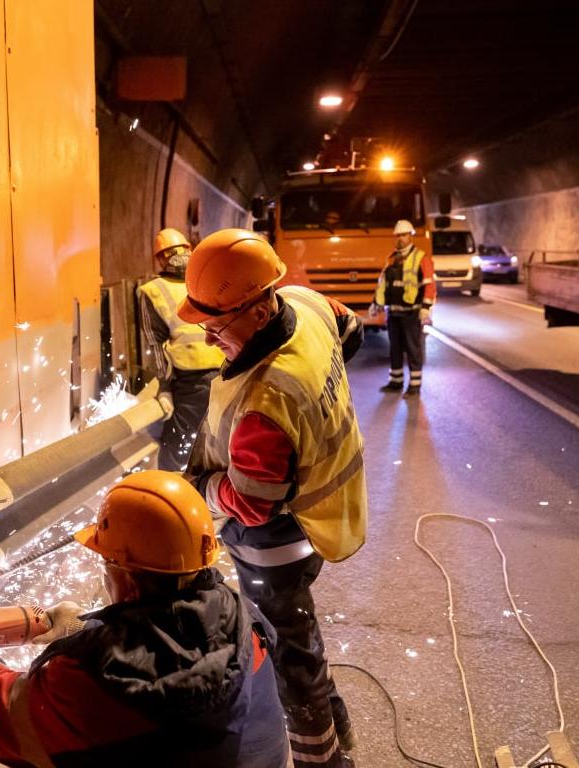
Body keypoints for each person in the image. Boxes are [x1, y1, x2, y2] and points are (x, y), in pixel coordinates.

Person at [0, 470, 291, 768]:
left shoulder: (98, 685)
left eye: (107, 563)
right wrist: (85, 631)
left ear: (127, 579)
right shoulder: (243, 620)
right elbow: (166, 641)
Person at [179, 229, 367, 768]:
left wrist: (202, 490)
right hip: (324, 509)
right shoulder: (305, 302)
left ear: (260, 312)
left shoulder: (267, 401)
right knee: (299, 628)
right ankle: (338, 721)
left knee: (288, 649)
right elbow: (349, 333)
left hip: (278, 539)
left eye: (217, 326)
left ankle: (321, 759)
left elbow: (253, 504)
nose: (210, 340)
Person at [137, 228, 225, 470]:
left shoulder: (152, 291)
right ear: (190, 250)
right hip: (227, 373)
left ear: (160, 259)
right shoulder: (209, 280)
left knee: (175, 453)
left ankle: (174, 500)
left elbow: (156, 347)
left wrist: (164, 388)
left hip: (192, 382)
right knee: (218, 441)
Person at [370, 219, 436, 397]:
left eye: (404, 235)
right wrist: (376, 303)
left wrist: (425, 308)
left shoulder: (420, 258)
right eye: (398, 235)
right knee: (395, 348)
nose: (400, 238)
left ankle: (415, 385)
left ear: (411, 236)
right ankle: (396, 381)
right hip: (394, 312)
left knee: (413, 349)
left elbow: (429, 285)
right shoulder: (392, 258)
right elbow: (384, 284)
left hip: (412, 312)